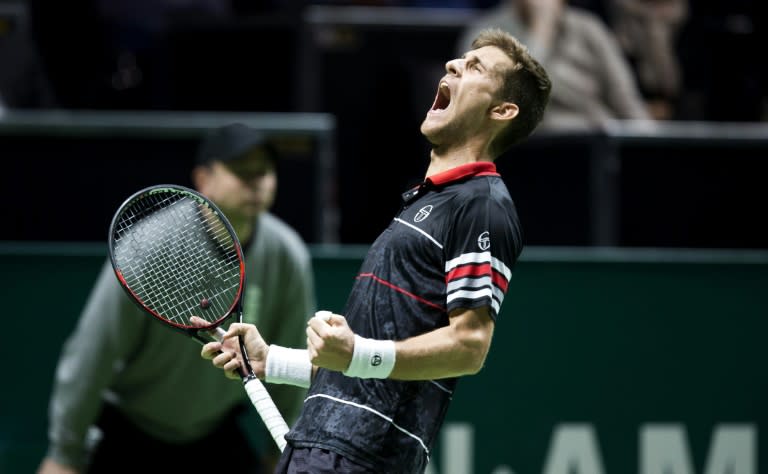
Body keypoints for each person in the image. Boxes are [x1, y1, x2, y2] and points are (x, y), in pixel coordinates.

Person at [198, 28, 551, 473]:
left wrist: (356, 353)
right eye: (460, 59)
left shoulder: (482, 205)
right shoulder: (427, 202)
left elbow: (469, 345)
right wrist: (273, 360)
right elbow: (366, 371)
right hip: (319, 447)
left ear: (502, 110)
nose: (453, 65)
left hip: (363, 457)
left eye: (475, 67)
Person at [38, 123, 316, 474]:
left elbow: (287, 356)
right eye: (241, 170)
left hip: (215, 433)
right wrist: (65, 454)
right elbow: (93, 354)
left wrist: (283, 455)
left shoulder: (287, 255)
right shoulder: (146, 247)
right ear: (203, 179)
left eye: (264, 170)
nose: (256, 181)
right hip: (132, 432)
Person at [457, 0, 650, 130]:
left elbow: (628, 103)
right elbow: (516, 101)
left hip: (600, 140)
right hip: (535, 150)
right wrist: (542, 29)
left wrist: (653, 146)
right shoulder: (484, 34)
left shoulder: (589, 28)